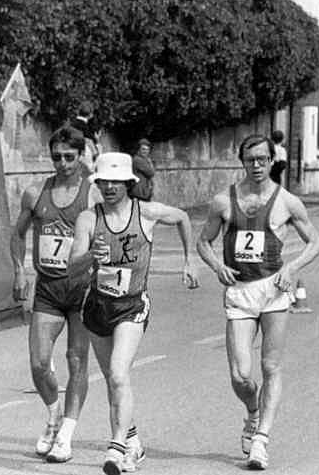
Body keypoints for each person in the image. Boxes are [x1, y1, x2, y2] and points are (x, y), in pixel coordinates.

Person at [68, 152, 199, 474]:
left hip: (131, 306)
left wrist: (189, 260)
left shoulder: (147, 213)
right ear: (97, 184)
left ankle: (116, 447)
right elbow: (72, 269)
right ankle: (133, 441)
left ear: (129, 183)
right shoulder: (88, 218)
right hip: (97, 306)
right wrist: (90, 258)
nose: (109, 187)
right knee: (115, 383)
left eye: (116, 182)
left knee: (117, 373)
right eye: (103, 182)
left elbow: (182, 216)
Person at [196, 134, 319, 470]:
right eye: (250, 160)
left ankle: (261, 440)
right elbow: (204, 242)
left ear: (271, 160)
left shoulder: (287, 202)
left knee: (270, 367)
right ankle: (252, 413)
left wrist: (292, 268)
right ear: (242, 162)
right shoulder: (223, 202)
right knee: (240, 375)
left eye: (262, 160)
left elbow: (315, 241)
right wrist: (217, 266)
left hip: (273, 290)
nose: (257, 166)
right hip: (239, 291)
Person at [10, 126, 94, 463]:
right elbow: (17, 234)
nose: (62, 163)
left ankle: (67, 435)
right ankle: (54, 416)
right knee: (39, 363)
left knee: (76, 361)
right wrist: (19, 270)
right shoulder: (35, 193)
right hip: (47, 288)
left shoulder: (93, 195)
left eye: (69, 157)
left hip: (83, 290)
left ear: (81, 155)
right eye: (56, 157)